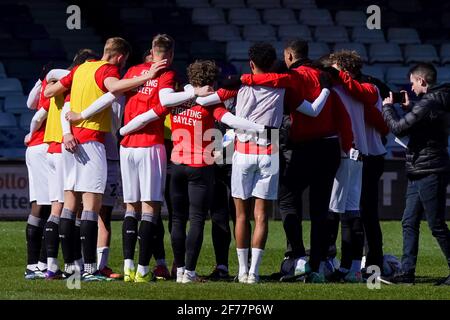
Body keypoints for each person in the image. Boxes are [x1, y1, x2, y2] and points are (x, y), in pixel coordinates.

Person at [119, 59, 269, 283]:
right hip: (201, 168)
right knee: (197, 219)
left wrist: (123, 130)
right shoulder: (209, 103)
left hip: (176, 167)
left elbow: (145, 117)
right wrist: (261, 129)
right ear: (211, 81)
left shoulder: (175, 101)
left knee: (178, 220)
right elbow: (231, 120)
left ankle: (179, 271)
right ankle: (189, 272)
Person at [234, 41, 353, 283]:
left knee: (288, 201)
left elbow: (274, 95)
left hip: (300, 148)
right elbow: (342, 110)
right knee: (321, 209)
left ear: (289, 55)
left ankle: (297, 258)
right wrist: (348, 146)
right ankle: (319, 265)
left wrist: (240, 80)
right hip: (329, 146)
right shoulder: (326, 76)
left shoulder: (289, 77)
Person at [43, 37, 154, 281]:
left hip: (70, 142)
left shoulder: (80, 69)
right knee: (91, 208)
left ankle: (72, 267)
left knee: (69, 206)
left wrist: (66, 132)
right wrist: (147, 77)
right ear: (121, 57)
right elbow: (115, 87)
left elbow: (54, 93)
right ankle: (91, 270)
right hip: (92, 141)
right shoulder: (108, 69)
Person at [382, 63, 450, 286]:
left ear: (422, 81)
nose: (410, 87)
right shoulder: (436, 101)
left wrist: (388, 108)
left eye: (412, 82)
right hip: (423, 167)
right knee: (409, 221)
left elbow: (399, 128)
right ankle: (406, 272)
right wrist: (412, 108)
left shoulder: (429, 102)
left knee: (436, 224)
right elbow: (421, 126)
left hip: (428, 169)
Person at [23, 63, 53, 280]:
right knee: (50, 204)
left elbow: (29, 104)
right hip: (43, 146)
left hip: (36, 148)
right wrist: (31, 133)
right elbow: (37, 116)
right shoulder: (55, 88)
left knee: (42, 204)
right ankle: (39, 264)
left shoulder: (42, 85)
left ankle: (38, 264)